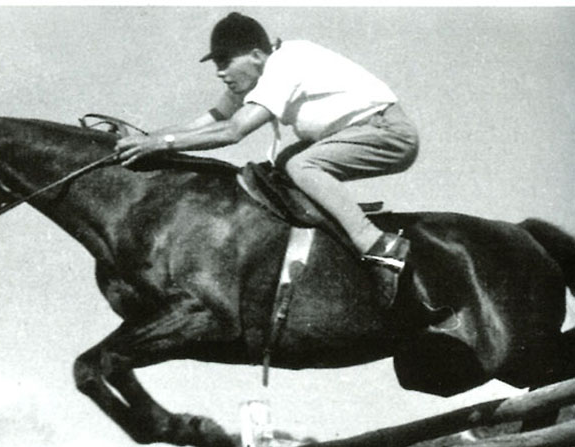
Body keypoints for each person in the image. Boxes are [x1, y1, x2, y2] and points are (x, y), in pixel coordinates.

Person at [115, 12, 420, 304]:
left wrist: (161, 145)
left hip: (388, 131)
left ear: (256, 55)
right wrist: (148, 139)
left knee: (301, 165)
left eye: (225, 61)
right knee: (283, 167)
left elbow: (233, 130)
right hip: (356, 131)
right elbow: (205, 123)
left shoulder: (285, 64)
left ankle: (379, 245)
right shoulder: (257, 75)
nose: (220, 72)